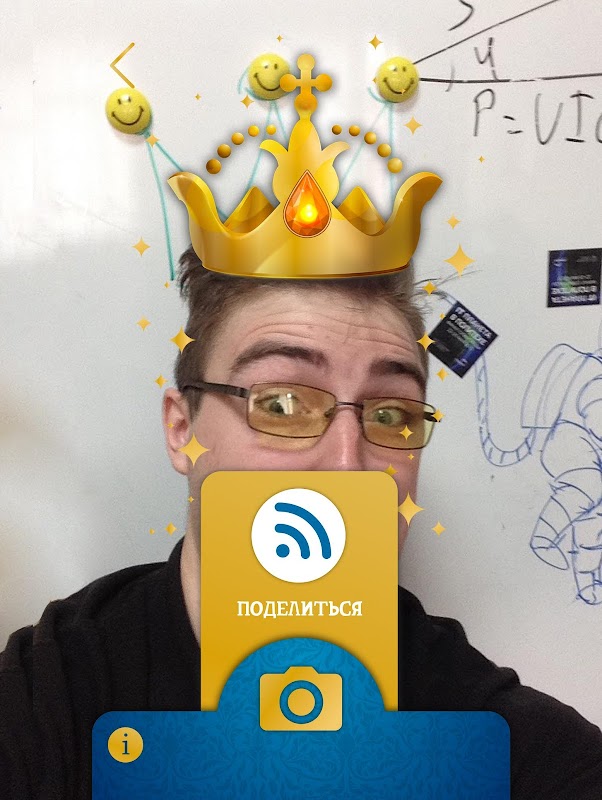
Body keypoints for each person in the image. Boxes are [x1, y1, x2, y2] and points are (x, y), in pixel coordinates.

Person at [1, 246, 602, 800]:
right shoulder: (47, 696)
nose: (346, 466)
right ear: (182, 429)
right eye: (281, 404)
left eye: (391, 414)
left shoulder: (499, 737)